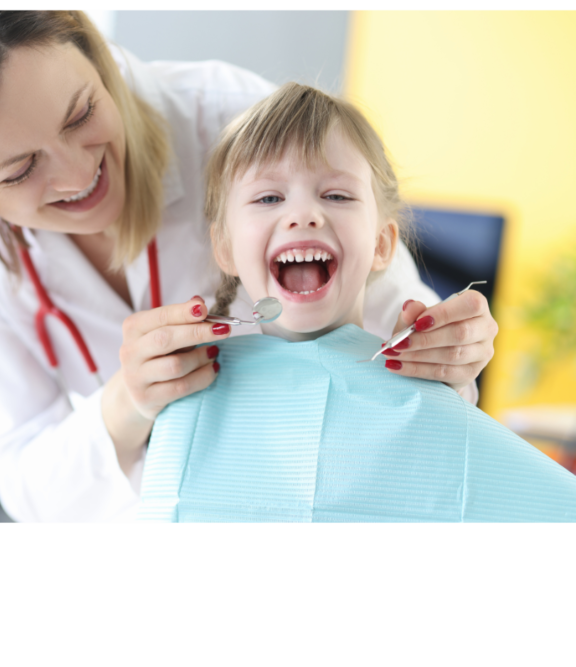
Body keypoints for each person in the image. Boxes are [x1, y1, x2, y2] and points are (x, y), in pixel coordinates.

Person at [0, 10, 498, 523]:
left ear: (89, 47)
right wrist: (127, 405)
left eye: (81, 113)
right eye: (20, 169)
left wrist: (447, 351)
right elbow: (32, 490)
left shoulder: (237, 125)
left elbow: (397, 324)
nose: (78, 173)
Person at [139, 83, 576, 523]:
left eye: (337, 195)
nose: (304, 214)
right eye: (269, 197)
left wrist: (450, 397)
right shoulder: (188, 391)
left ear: (383, 244)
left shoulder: (427, 395)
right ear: (226, 248)